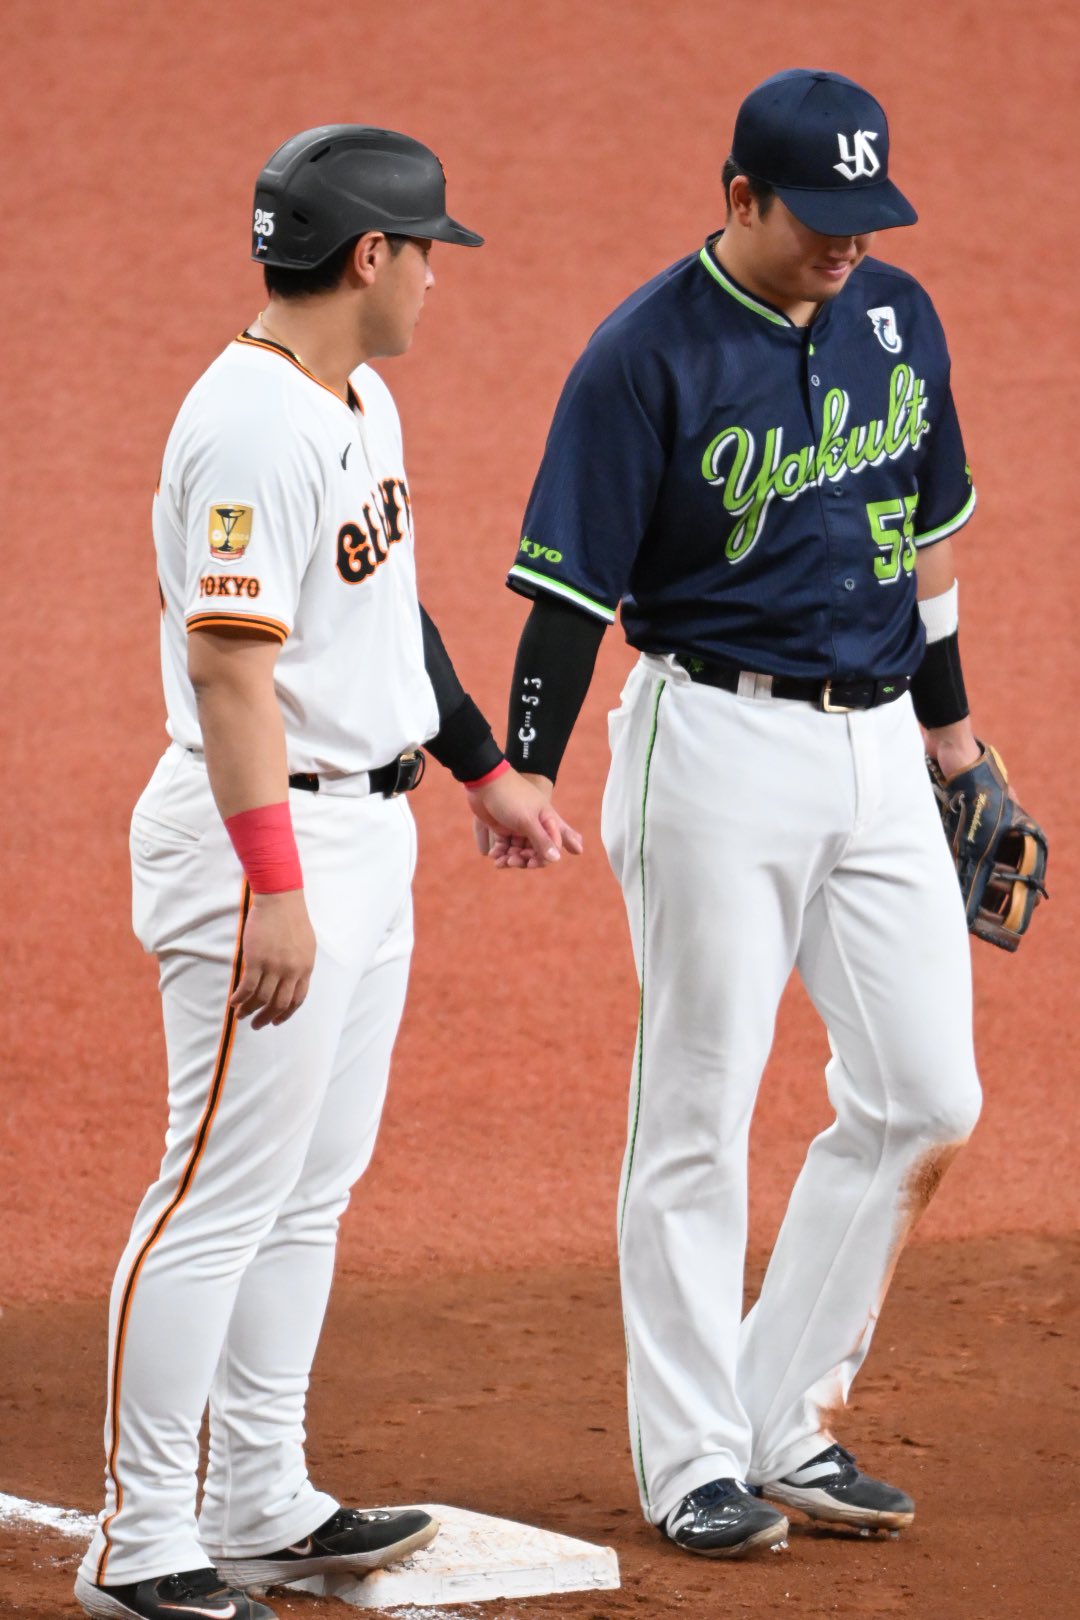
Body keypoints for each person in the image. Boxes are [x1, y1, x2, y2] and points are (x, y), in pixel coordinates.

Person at [75, 125, 580, 1620]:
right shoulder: (250, 426)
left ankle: (260, 1497)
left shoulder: (357, 397)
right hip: (263, 839)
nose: (436, 279)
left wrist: (480, 766)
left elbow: (388, 615)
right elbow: (230, 671)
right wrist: (276, 886)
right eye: (428, 252)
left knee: (307, 1194)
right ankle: (138, 1540)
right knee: (216, 1195)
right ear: (371, 256)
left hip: (367, 829)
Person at [493, 69, 985, 1558]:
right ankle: (693, 1457)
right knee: (698, 1110)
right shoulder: (643, 354)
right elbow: (569, 590)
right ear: (740, 198)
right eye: (819, 214)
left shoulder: (898, 315)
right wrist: (526, 765)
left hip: (880, 743)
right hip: (712, 741)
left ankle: (784, 1413)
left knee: (924, 1098)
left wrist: (956, 740)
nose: (848, 239)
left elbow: (925, 544)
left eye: (866, 212)